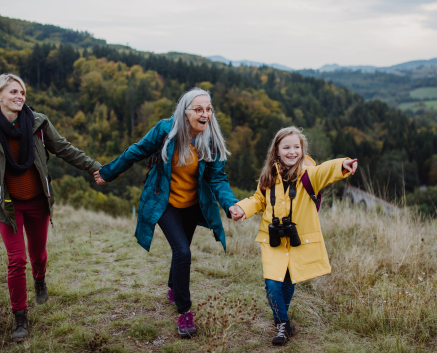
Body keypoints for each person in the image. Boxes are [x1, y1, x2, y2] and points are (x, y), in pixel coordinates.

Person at [94, 88, 239, 337]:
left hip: (194, 205)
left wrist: (231, 204)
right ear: (185, 112)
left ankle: (173, 287)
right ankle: (184, 312)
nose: (205, 114)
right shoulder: (165, 130)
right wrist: (109, 172)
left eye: (208, 109)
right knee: (183, 251)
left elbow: (218, 179)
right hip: (165, 202)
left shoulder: (211, 140)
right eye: (199, 109)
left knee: (180, 251)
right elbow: (137, 151)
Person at [0, 74, 102, 341]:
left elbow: (64, 148)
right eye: (14, 92)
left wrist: (94, 167)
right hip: (8, 207)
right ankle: (20, 317)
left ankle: (40, 279)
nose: (20, 96)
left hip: (38, 202)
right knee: (16, 260)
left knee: (38, 254)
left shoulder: (38, 123)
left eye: (23, 93)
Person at [230, 126, 357, 346]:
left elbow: (326, 170)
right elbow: (258, 200)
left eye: (296, 147)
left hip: (297, 240)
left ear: (302, 149)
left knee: (289, 282)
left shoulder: (309, 176)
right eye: (286, 147)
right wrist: (242, 208)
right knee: (272, 284)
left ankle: (282, 324)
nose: (292, 152)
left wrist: (342, 165)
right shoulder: (268, 177)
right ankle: (283, 323)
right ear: (276, 150)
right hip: (273, 240)